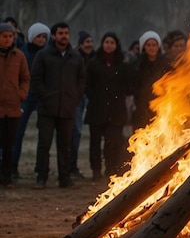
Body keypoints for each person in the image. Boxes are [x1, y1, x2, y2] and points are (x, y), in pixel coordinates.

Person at [30, 22, 86, 188]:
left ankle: (64, 177)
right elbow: (36, 78)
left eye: (66, 33)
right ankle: (42, 177)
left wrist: (75, 96)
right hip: (47, 108)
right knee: (44, 144)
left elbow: (82, 79)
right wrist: (46, 96)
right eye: (60, 33)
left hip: (68, 108)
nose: (64, 36)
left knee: (65, 145)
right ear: (53, 36)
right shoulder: (43, 55)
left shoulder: (75, 56)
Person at [85, 32, 132, 181]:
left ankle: (111, 169)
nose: (109, 45)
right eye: (106, 42)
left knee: (113, 143)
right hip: (97, 108)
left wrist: (119, 94)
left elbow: (128, 84)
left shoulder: (123, 64)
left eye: (112, 42)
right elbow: (88, 84)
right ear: (102, 44)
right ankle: (96, 170)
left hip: (116, 110)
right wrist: (94, 96)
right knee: (95, 142)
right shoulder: (94, 63)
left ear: (116, 45)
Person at [12, 22, 50, 178]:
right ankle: (12, 168)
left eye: (43, 37)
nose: (41, 40)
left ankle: (40, 170)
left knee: (44, 135)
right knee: (17, 133)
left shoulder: (49, 53)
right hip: (25, 97)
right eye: (38, 36)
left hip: (42, 97)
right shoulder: (22, 53)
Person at [0, 22, 30, 187]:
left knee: (9, 145)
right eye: (4, 36)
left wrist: (21, 93)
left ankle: (7, 177)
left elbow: (25, 78)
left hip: (12, 108)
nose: (7, 39)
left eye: (10, 36)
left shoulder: (18, 55)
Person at [131, 31, 169, 130]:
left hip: (161, 105)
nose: (151, 48)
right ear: (144, 46)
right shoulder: (137, 65)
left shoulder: (165, 64)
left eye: (154, 45)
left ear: (158, 46)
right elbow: (134, 85)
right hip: (142, 106)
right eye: (148, 45)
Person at [70, 31, 95, 178]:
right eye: (86, 42)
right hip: (77, 98)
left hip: (89, 96)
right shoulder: (74, 57)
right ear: (80, 44)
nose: (89, 44)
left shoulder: (95, 57)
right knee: (76, 132)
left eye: (91, 41)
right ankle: (71, 165)